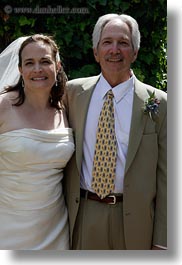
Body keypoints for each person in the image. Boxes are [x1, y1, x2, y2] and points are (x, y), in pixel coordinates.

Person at [63, 14, 167, 250]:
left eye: (123, 43)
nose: (114, 50)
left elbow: (168, 179)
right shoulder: (72, 94)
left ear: (135, 51)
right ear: (95, 52)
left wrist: (163, 241)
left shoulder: (161, 104)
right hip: (83, 215)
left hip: (138, 223)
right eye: (107, 42)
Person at [0, 34, 74, 250]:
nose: (37, 69)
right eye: (29, 63)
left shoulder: (65, 107)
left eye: (45, 61)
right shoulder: (3, 106)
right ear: (20, 70)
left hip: (55, 228)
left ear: (57, 66)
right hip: (8, 224)